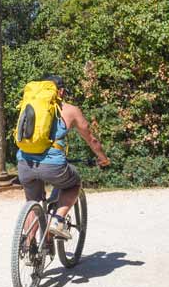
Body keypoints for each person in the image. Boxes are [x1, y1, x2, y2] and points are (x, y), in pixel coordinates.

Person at [17, 74, 110, 239]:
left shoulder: (28, 105)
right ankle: (58, 220)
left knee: (33, 202)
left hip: (25, 163)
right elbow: (91, 139)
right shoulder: (71, 110)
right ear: (60, 91)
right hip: (53, 166)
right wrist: (102, 158)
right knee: (74, 184)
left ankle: (28, 244)